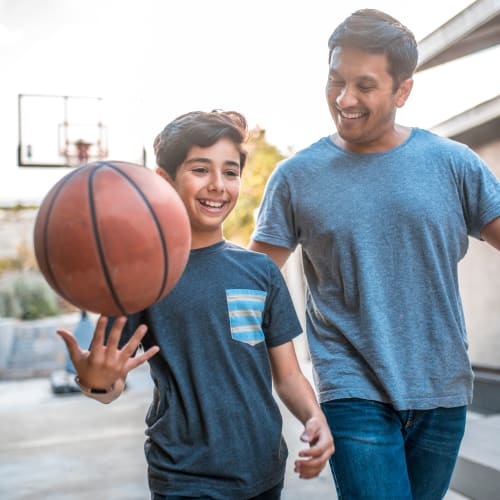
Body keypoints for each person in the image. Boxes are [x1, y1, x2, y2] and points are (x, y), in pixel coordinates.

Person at [249, 9, 500, 500]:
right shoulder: (296, 178)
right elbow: (252, 282)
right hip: (351, 389)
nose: (345, 100)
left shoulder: (453, 165)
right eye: (335, 81)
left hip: (442, 388)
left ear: (402, 91)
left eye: (364, 85)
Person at [57, 110, 334, 500]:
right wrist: (94, 378)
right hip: (184, 476)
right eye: (201, 170)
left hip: (264, 471)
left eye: (231, 172)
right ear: (164, 181)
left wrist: (314, 416)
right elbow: (110, 382)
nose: (218, 185)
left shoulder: (260, 271)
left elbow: (287, 375)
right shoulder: (142, 277)